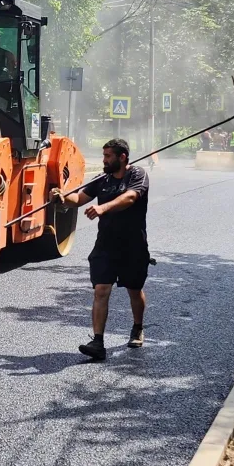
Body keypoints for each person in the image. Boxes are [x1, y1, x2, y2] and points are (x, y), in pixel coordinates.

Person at [50, 138, 151, 360]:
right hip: (106, 244)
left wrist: (103, 207)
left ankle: (137, 327)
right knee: (101, 290)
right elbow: (79, 199)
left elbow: (131, 197)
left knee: (134, 289)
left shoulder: (137, 175)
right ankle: (98, 342)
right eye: (103, 155)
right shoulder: (102, 179)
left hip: (133, 245)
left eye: (108, 156)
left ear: (122, 157)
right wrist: (62, 197)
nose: (104, 160)